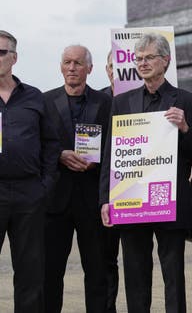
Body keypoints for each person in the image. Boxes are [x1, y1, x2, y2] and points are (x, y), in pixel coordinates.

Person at [99, 33, 192, 313]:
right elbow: (111, 155)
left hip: (168, 199)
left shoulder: (187, 100)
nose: (142, 63)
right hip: (131, 200)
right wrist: (105, 199)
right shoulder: (121, 102)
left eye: (149, 58)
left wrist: (185, 128)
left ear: (165, 61)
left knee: (173, 275)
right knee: (135, 275)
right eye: (138, 58)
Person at [43, 45, 112, 313]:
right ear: (61, 67)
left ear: (90, 68)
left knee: (97, 272)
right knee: (50, 273)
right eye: (67, 62)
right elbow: (38, 144)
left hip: (92, 198)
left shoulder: (106, 103)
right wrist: (59, 155)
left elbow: (115, 146)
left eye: (78, 63)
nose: (72, 68)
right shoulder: (45, 101)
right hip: (55, 201)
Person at [0, 30, 60, 312]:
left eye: (1, 52)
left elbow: (51, 145)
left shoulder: (35, 97)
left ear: (14, 57)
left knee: (30, 271)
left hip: (29, 193)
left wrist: (45, 185)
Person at [100, 49, 119, 313]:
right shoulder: (99, 100)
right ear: (107, 70)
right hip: (105, 192)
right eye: (114, 66)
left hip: (141, 192)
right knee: (105, 260)